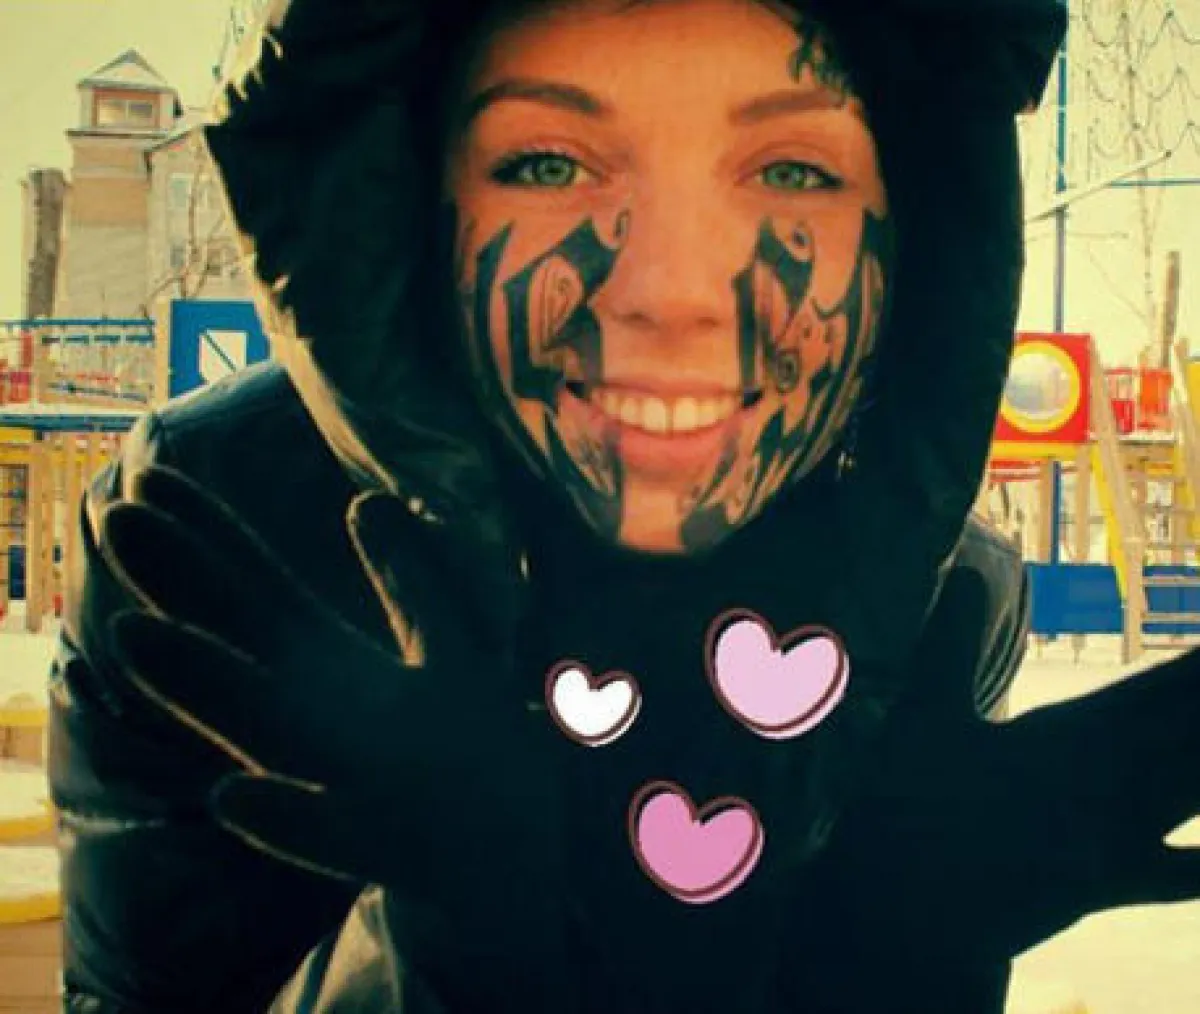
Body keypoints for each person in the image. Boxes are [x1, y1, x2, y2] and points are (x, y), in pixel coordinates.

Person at [48, 0, 1200, 1011]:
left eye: (793, 171)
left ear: (915, 230)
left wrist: (881, 972)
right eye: (550, 164)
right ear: (408, 202)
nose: (672, 294)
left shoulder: (941, 601)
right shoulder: (212, 534)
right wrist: (433, 965)